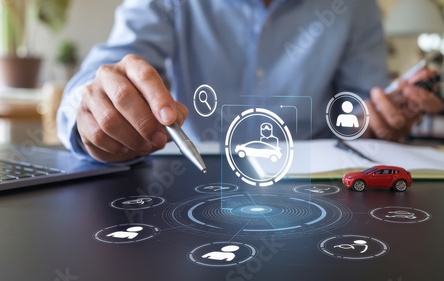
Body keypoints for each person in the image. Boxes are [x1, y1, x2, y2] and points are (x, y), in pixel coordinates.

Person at [57, 0, 442, 164]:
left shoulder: (354, 7)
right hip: (184, 179)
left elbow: (359, 109)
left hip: (314, 185)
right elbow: (105, 72)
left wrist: (378, 122)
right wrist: (92, 108)